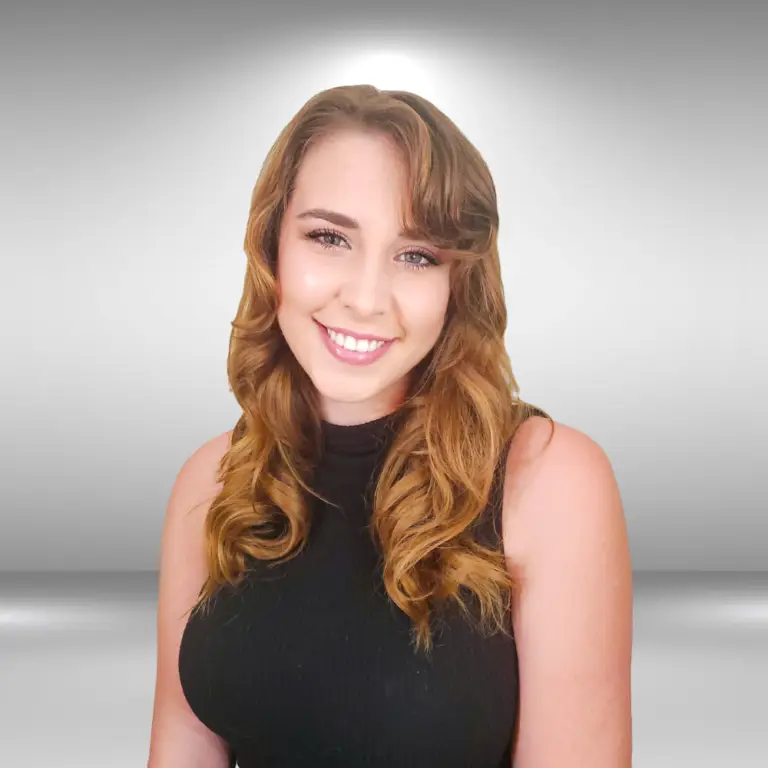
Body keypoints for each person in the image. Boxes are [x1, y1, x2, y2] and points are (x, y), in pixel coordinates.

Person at [147, 84, 633, 768]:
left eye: (416, 255)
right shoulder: (211, 479)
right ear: (271, 247)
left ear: (457, 285)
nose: (367, 298)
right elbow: (181, 753)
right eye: (328, 237)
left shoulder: (549, 479)